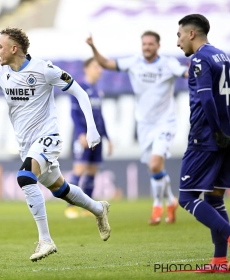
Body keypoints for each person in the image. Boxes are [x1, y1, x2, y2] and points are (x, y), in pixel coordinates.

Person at [0, 27, 111, 262]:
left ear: (13, 48)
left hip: (48, 137)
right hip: (27, 145)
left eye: (0, 46)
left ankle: (45, 240)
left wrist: (91, 128)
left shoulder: (43, 69)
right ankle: (99, 209)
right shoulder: (1, 72)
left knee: (25, 177)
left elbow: (80, 92)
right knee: (61, 190)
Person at [86, 31, 188, 225]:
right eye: (144, 44)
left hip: (165, 122)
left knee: (156, 164)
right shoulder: (134, 62)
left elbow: (185, 72)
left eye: (151, 44)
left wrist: (194, 70)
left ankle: (158, 205)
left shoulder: (168, 64)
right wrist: (92, 47)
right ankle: (171, 201)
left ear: (158, 45)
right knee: (154, 168)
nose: (147, 47)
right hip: (144, 125)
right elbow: (106, 63)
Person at [177, 14, 230, 272]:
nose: (178, 43)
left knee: (186, 197)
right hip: (226, 135)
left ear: (191, 34)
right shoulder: (224, 56)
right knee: (215, 198)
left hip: (206, 136)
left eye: (178, 36)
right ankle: (220, 262)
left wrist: (217, 131)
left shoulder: (199, 58)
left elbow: (207, 99)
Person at [65, 58, 113, 219]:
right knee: (79, 169)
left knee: (92, 170)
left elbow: (100, 117)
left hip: (97, 138)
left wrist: (107, 138)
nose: (99, 70)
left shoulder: (97, 91)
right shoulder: (79, 89)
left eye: (100, 67)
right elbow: (74, 114)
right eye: (95, 67)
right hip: (83, 137)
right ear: (86, 69)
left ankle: (87, 207)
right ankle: (70, 207)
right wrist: (80, 133)